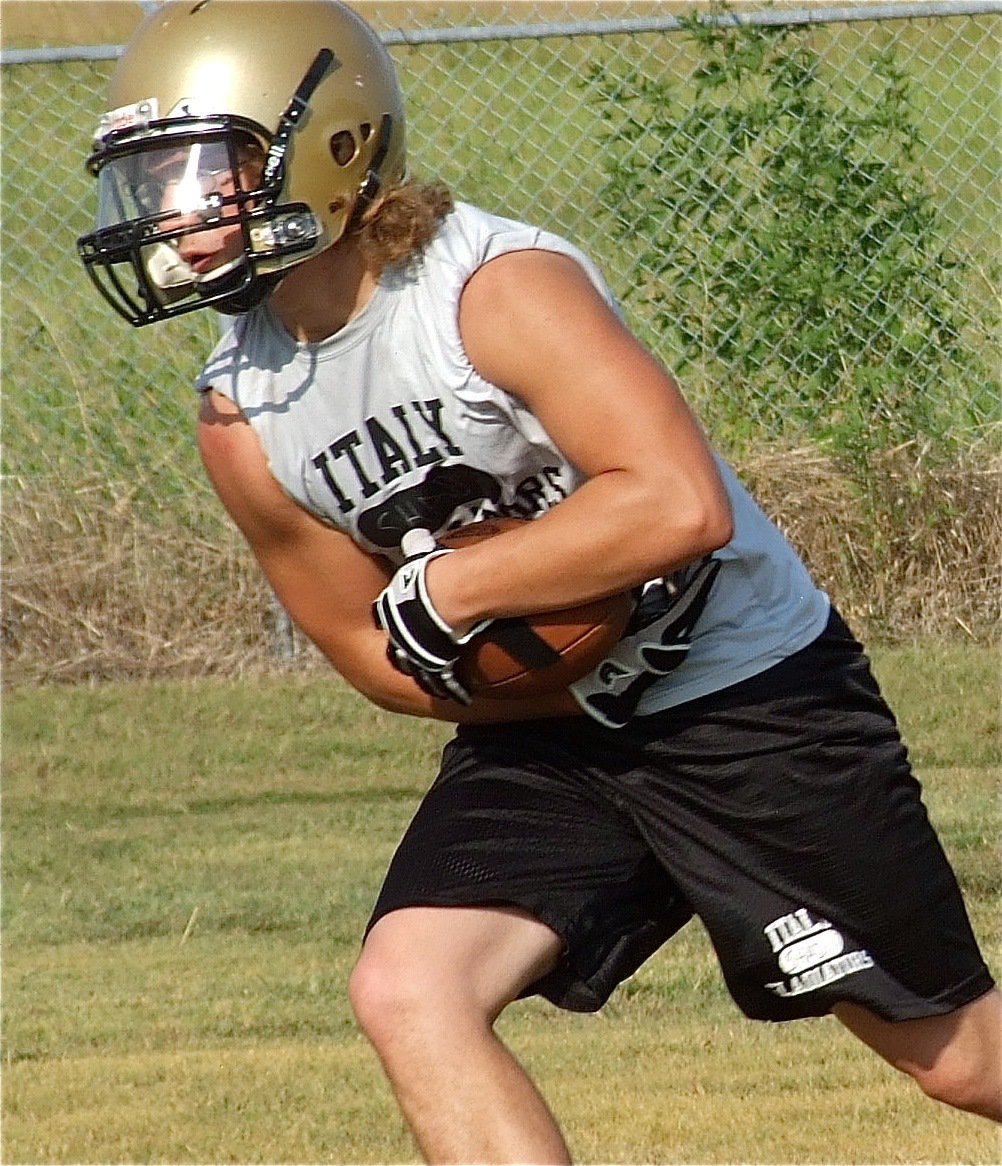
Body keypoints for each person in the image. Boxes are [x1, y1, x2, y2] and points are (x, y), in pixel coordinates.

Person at [78, 2, 1000, 1160]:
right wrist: (538, 662)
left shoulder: (491, 292)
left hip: (743, 694)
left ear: (333, 146)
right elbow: (372, 653)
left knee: (960, 1059)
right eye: (150, 176)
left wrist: (463, 592)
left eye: (202, 167)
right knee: (409, 985)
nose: (170, 209)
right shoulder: (240, 413)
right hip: (548, 727)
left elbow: (677, 502)